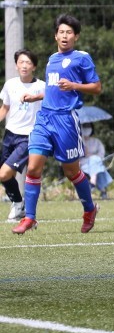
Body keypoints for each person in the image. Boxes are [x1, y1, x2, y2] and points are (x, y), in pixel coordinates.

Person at [12, 14, 102, 235]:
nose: (65, 35)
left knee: (72, 171)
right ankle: (29, 217)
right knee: (33, 167)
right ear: (55, 35)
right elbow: (53, 89)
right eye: (61, 32)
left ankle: (89, 209)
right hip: (44, 119)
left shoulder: (82, 58)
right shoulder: (52, 59)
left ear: (76, 36)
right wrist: (36, 97)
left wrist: (74, 85)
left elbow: (97, 87)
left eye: (69, 32)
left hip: (66, 121)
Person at [0, 49, 46, 222]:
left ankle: (19, 204)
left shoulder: (41, 87)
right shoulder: (10, 85)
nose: (24, 66)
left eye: (28, 63)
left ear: (34, 66)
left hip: (28, 137)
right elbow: (5, 109)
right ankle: (19, 205)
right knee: (3, 174)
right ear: (16, 65)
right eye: (21, 62)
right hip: (9, 135)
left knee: (4, 174)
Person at [79, 123, 113, 199]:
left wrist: (91, 155)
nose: (86, 129)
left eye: (88, 127)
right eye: (84, 127)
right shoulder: (79, 142)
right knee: (98, 167)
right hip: (84, 164)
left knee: (95, 160)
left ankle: (92, 183)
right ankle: (102, 190)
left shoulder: (97, 142)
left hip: (96, 162)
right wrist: (83, 152)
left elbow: (101, 154)